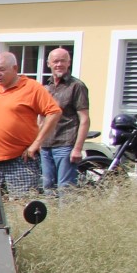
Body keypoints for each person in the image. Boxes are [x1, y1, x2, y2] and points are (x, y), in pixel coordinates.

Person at [0, 51, 60, 195]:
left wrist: (36, 144)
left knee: (21, 206)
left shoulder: (31, 87)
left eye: (2, 69)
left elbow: (54, 112)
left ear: (15, 69)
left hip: (20, 159)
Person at [40, 48, 89, 192]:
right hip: (46, 145)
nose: (59, 64)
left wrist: (78, 148)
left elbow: (84, 119)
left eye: (63, 61)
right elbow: (41, 118)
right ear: (49, 64)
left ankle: (66, 215)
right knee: (47, 188)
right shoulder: (46, 87)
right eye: (55, 61)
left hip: (65, 144)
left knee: (65, 189)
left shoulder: (77, 86)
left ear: (69, 63)